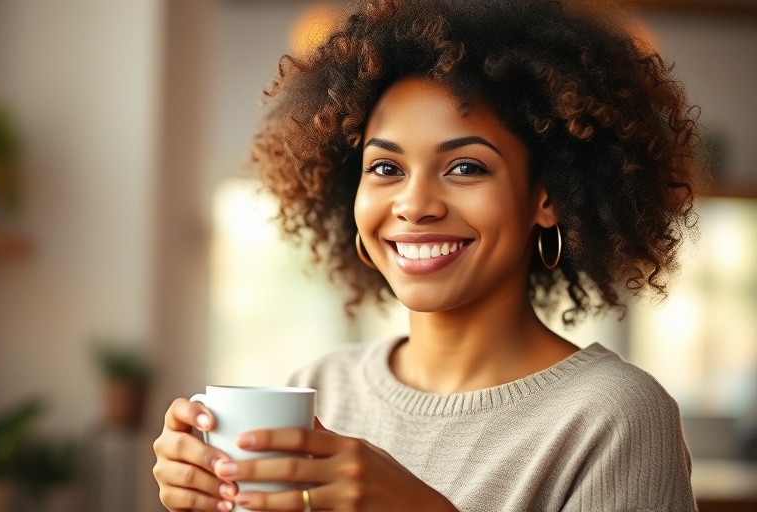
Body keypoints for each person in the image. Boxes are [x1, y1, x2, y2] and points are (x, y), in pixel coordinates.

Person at [153, 0, 705, 510]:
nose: (414, 205)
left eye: (466, 167)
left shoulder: (615, 417)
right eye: (386, 169)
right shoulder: (322, 386)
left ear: (548, 196)